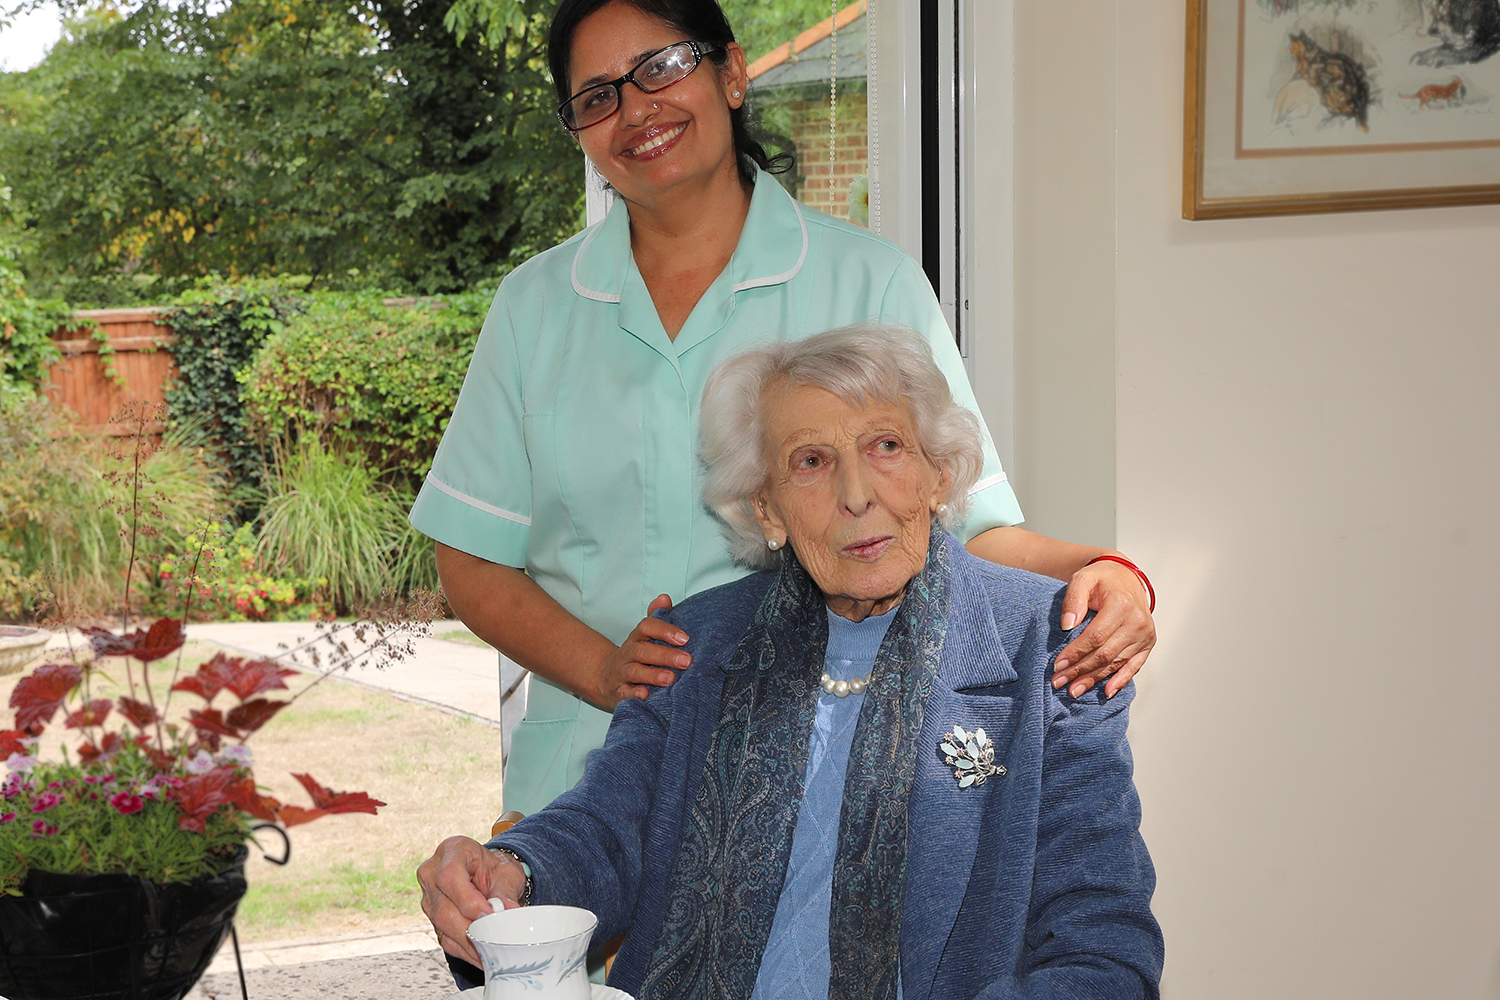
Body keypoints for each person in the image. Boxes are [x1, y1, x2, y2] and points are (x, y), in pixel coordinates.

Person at [407, 0, 1157, 825]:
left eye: (661, 67)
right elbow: (473, 558)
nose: (635, 109)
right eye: (597, 97)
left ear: (731, 73)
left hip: (815, 784)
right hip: (586, 784)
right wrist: (604, 672)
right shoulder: (534, 309)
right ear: (581, 133)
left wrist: (1110, 571)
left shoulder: (868, 282)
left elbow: (967, 527)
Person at [417, 326, 1163, 1000]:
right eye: (811, 462)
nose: (856, 495)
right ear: (767, 510)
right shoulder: (695, 643)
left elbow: (1102, 948)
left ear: (939, 475)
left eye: (886, 447)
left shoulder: (1048, 648)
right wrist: (511, 871)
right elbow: (609, 827)